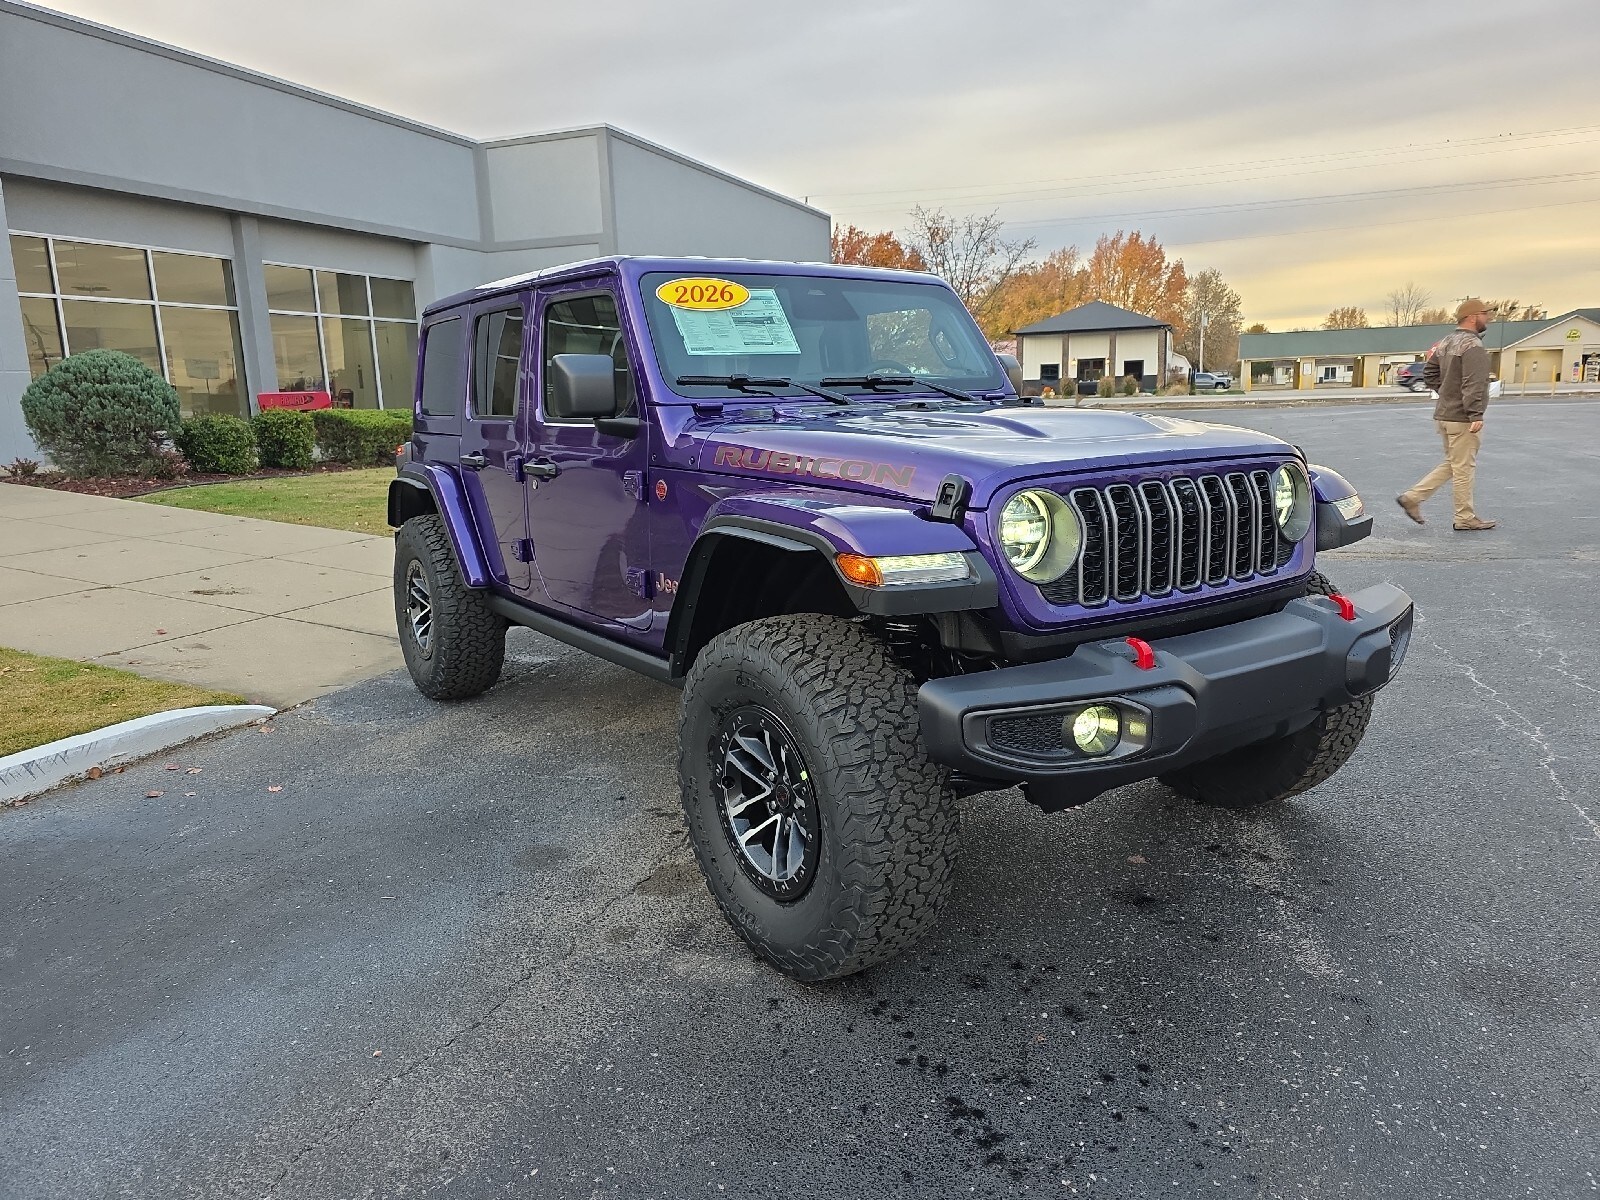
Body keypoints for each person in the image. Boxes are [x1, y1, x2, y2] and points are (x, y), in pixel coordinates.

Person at [1395, 298, 1496, 531]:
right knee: (1463, 469)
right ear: (1472, 317)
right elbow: (1474, 383)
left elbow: (1429, 372)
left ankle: (1413, 498)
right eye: (1485, 314)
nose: (1488, 318)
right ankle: (1465, 518)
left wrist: (1446, 392)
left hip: (1444, 415)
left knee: (1454, 463)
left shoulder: (1447, 342)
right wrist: (1475, 414)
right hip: (1462, 418)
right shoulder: (1472, 346)